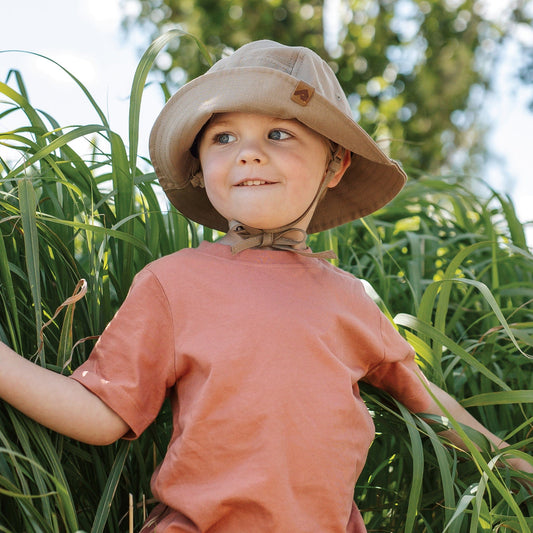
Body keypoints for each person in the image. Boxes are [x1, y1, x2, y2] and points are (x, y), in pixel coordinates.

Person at [0, 40, 531, 532]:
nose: (248, 153)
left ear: (336, 163)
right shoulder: (172, 282)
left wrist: (518, 467)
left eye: (280, 133)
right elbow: (103, 412)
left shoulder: (350, 299)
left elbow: (433, 406)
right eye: (223, 137)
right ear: (200, 166)